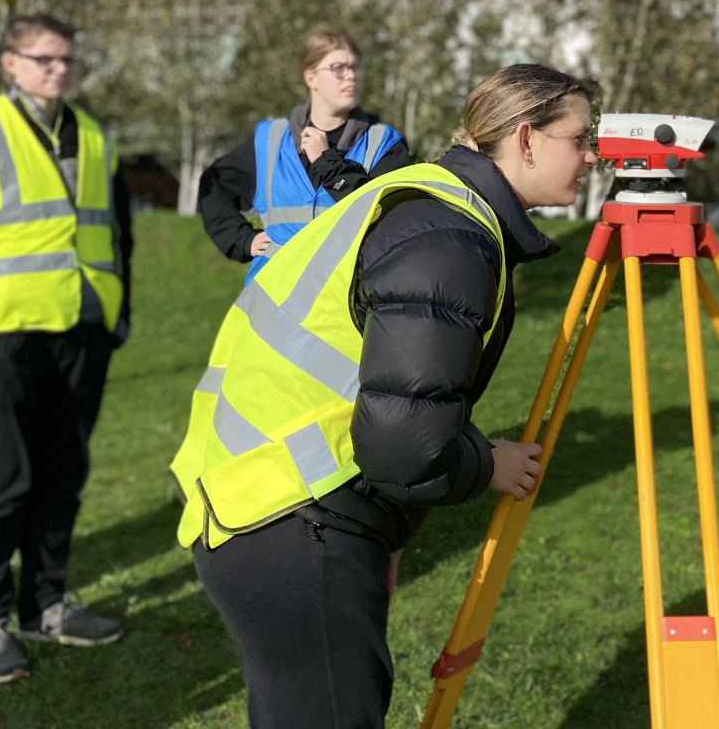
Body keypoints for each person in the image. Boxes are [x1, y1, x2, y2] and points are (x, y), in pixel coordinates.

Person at [171, 62, 598, 729]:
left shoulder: (427, 198)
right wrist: (487, 465)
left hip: (273, 503)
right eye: (581, 138)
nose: (593, 156)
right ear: (525, 138)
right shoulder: (446, 236)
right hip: (293, 517)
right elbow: (404, 447)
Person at [0, 14, 132, 684]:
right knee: (2, 485)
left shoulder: (94, 136)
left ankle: (48, 605)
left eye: (66, 59)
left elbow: (117, 235)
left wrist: (116, 318)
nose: (58, 70)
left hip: (83, 339)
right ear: (10, 64)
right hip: (6, 343)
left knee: (62, 478)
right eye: (43, 59)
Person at [199, 29, 410, 285]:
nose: (351, 76)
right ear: (311, 78)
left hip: (341, 310)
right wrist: (243, 240)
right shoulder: (269, 140)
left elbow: (389, 223)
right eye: (338, 68)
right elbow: (214, 187)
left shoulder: (383, 144)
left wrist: (327, 162)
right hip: (270, 311)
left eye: (355, 68)